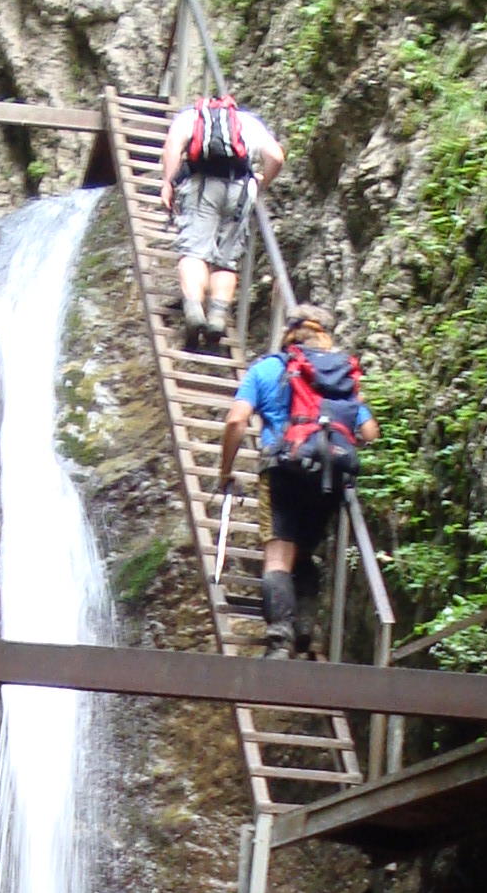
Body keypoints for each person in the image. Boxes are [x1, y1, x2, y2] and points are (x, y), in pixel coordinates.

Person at [220, 306, 377, 656]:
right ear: (325, 335)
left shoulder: (268, 368)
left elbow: (236, 421)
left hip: (282, 470)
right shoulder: (339, 377)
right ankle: (304, 627)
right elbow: (369, 432)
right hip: (329, 475)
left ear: (287, 333)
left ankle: (280, 639)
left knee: (278, 556)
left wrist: (225, 471)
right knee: (304, 553)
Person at [159, 87, 284, 352]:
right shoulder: (248, 122)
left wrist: (168, 183)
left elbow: (172, 148)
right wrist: (261, 184)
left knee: (194, 252)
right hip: (240, 190)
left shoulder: (190, 117)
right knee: (226, 260)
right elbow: (276, 157)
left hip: (202, 186)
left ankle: (194, 311)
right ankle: (217, 317)